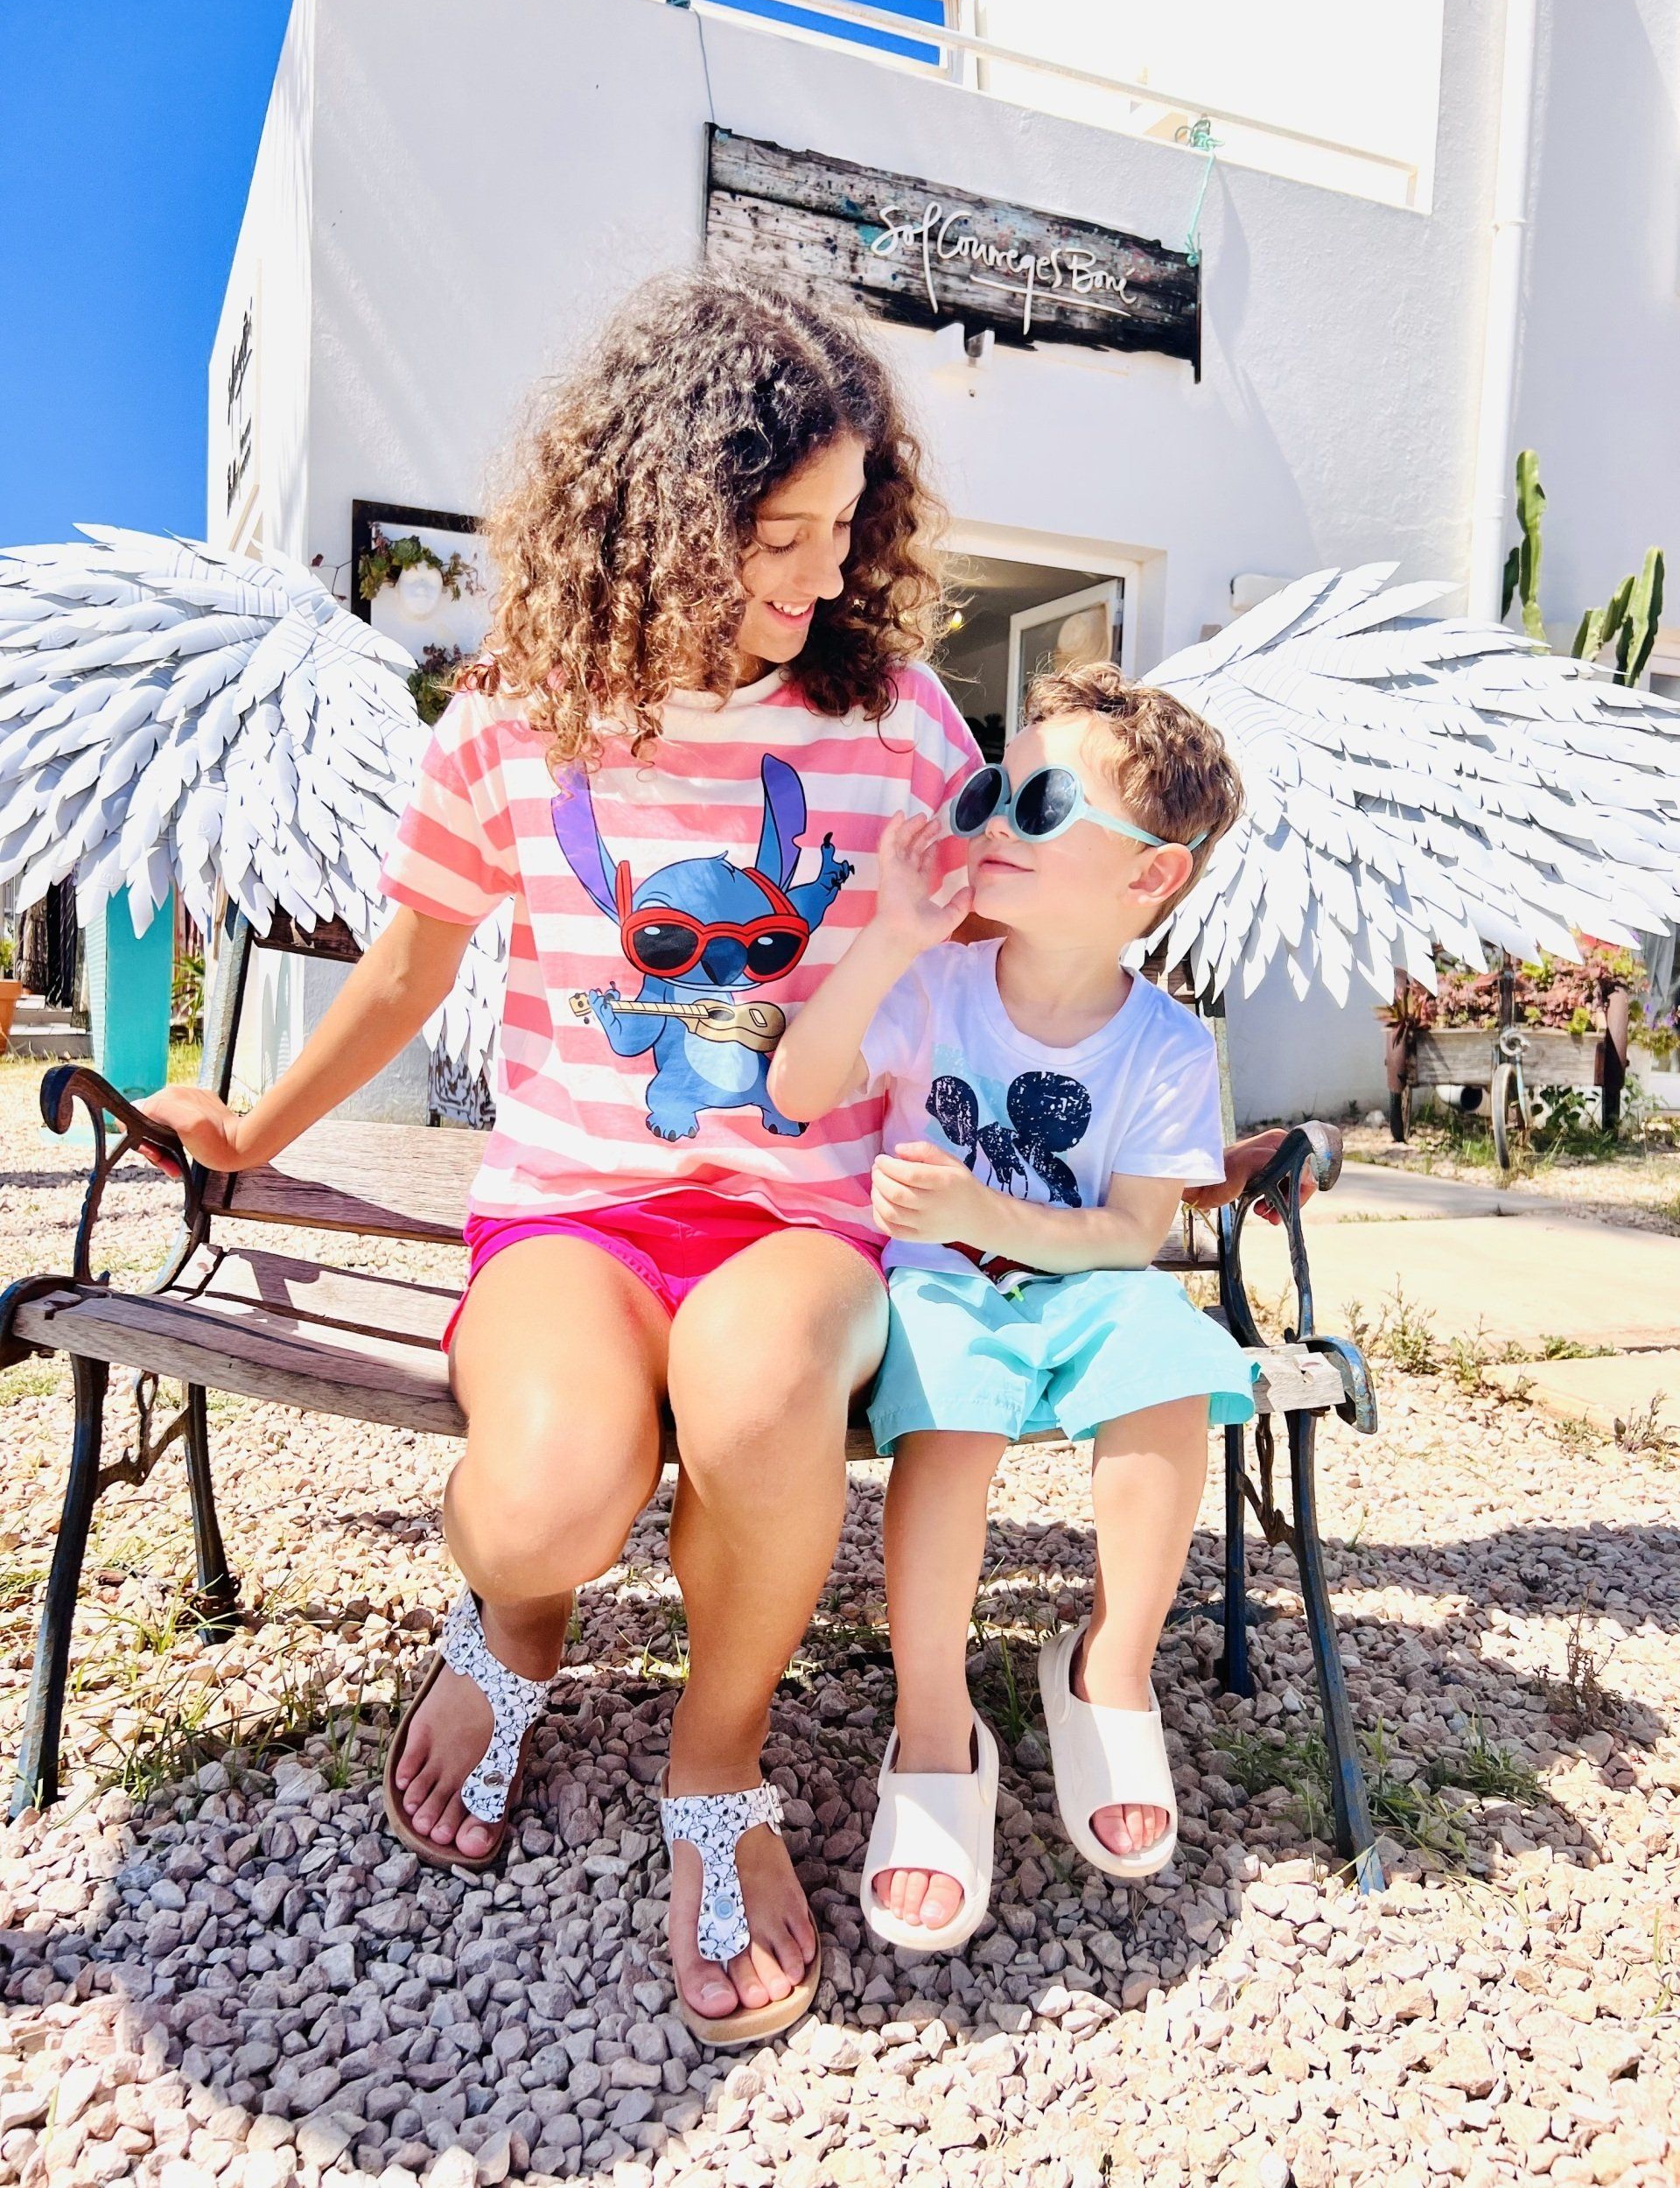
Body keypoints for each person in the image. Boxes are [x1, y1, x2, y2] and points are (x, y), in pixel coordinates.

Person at [137, 270, 1304, 2043]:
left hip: (808, 1217)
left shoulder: (899, 723)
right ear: (657, 510)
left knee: (761, 1407)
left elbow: (1019, 949)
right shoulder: (508, 719)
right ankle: (512, 1628)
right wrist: (252, 1128)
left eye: (844, 529)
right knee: (541, 1506)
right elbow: (404, 973)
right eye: (778, 535)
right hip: (576, 1210)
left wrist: (1153, 1130)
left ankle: (719, 1761)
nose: (821, 578)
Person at [767, 663, 1259, 1947]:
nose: (992, 820)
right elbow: (801, 1089)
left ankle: (1112, 1670)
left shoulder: (1166, 1045)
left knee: (1168, 1361)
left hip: (1083, 1283)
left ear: (1151, 877)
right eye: (994, 789)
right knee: (954, 1412)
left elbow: (1133, 1237)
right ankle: (935, 1726)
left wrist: (984, 1213)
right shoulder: (936, 988)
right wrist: (891, 935)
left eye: (1040, 807)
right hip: (940, 1289)